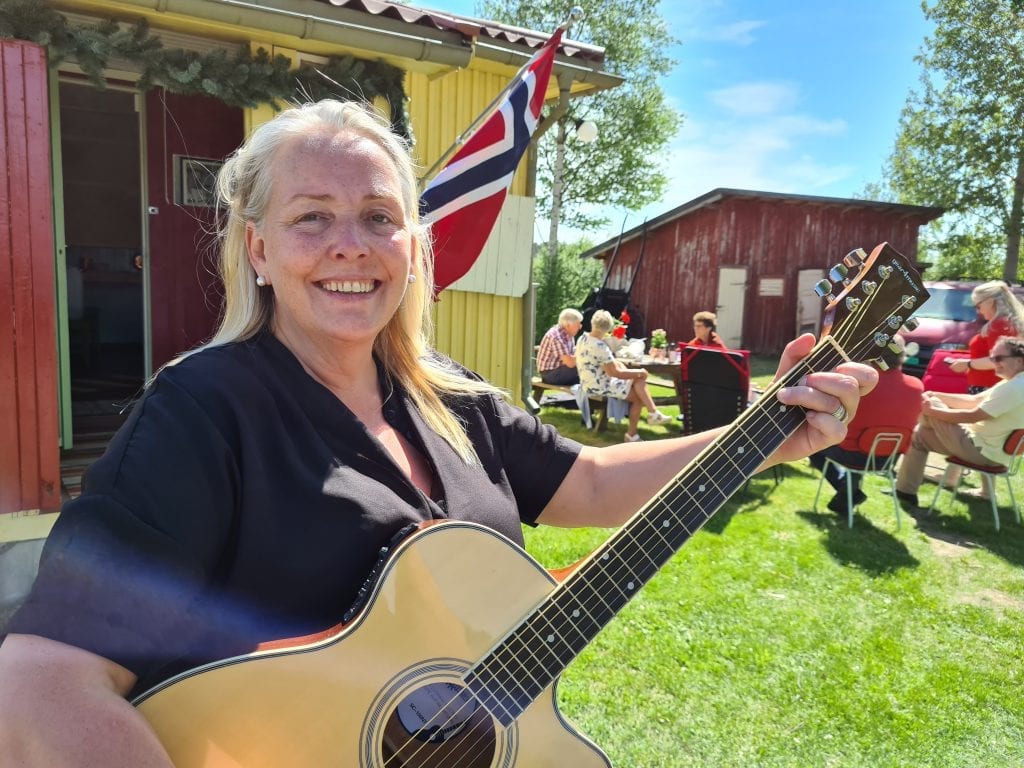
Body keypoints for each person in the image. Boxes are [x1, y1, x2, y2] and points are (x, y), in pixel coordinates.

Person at [0, 99, 873, 765]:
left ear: (414, 249)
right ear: (258, 251)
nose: (352, 244)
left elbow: (594, 484)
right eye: (311, 218)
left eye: (380, 217)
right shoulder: (203, 412)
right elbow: (37, 683)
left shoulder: (448, 397)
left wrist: (767, 434)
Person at [895, 336, 1024, 510]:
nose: (995, 363)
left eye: (999, 358)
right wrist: (937, 395)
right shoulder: (1015, 382)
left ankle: (896, 430)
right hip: (991, 451)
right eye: (993, 358)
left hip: (981, 451)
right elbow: (974, 400)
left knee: (926, 406)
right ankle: (905, 493)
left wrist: (933, 410)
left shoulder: (1015, 387)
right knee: (920, 436)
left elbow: (973, 415)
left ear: (1019, 360)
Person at [808, 335, 923, 516]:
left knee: (813, 447)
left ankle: (848, 492)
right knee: (860, 440)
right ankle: (848, 493)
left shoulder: (860, 385)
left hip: (853, 453)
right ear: (902, 356)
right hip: (889, 458)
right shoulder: (917, 385)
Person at [577, 309, 680, 442]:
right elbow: (615, 373)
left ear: (592, 323)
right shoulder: (601, 346)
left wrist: (626, 368)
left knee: (638, 385)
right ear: (608, 329)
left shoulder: (583, 338)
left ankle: (651, 415)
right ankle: (637, 428)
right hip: (600, 385)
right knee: (639, 389)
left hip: (589, 382)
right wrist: (640, 372)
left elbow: (601, 364)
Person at [945, 281, 1024, 393]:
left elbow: (999, 360)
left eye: (978, 306)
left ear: (990, 302)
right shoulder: (1009, 323)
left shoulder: (999, 325)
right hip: (997, 385)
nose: (978, 311)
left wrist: (967, 364)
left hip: (989, 386)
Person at [536, 308, 583, 385]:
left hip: (559, 370)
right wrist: (586, 354)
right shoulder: (557, 337)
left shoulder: (568, 334)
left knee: (585, 375)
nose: (580, 327)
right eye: (578, 324)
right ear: (568, 325)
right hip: (550, 374)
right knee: (586, 366)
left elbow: (572, 355)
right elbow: (570, 363)